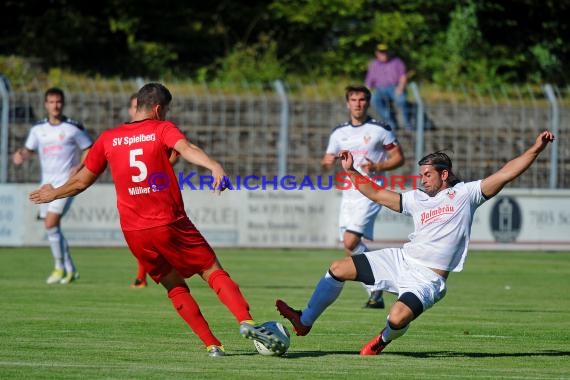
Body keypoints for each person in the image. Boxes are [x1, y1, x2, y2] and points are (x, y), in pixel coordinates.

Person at [29, 82, 288, 357]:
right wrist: (214, 166)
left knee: (173, 285)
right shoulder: (161, 128)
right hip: (168, 221)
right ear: (157, 108)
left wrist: (54, 193)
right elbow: (186, 148)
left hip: (134, 232)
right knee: (211, 269)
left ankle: (212, 345)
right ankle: (245, 320)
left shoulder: (109, 138)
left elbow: (81, 181)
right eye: (165, 110)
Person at [277, 130, 555, 355]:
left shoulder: (466, 194)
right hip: (401, 260)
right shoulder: (416, 198)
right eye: (421, 175)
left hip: (428, 279)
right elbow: (375, 193)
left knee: (396, 319)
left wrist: (536, 149)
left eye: (427, 175)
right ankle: (304, 322)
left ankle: (382, 340)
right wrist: (351, 171)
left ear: (444, 174)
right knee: (338, 268)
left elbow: (507, 172)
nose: (422, 180)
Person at [321, 85, 405, 309]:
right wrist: (327, 163)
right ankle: (376, 289)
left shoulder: (380, 129)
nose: (358, 104)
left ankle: (386, 282)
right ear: (347, 103)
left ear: (368, 103)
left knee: (350, 240)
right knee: (350, 246)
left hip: (371, 191)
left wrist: (379, 165)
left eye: (362, 100)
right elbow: (327, 159)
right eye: (353, 100)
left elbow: (399, 158)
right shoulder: (339, 133)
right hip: (348, 195)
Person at [13, 87, 92, 285]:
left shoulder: (73, 127)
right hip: (45, 185)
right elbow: (29, 149)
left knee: (50, 223)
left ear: (63, 104)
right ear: (45, 104)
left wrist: (79, 166)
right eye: (51, 102)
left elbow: (89, 149)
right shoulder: (38, 129)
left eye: (58, 102)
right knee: (52, 227)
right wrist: (21, 154)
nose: (55, 105)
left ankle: (58, 267)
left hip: (65, 184)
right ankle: (70, 269)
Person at [365, 43, 412, 131]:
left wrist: (400, 88)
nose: (384, 54)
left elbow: (403, 76)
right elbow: (369, 81)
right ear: (377, 53)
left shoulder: (397, 62)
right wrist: (366, 93)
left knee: (401, 100)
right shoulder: (373, 64)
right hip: (380, 89)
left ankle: (407, 123)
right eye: (381, 52)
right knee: (374, 99)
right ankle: (391, 120)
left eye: (385, 52)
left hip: (394, 88)